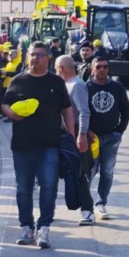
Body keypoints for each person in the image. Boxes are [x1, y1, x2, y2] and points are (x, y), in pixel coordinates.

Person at [1, 42, 74, 249]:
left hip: (50, 145)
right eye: (32, 55)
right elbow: (4, 103)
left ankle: (44, 228)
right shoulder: (18, 81)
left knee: (49, 187)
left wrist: (72, 135)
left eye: (40, 55)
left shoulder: (56, 82)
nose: (35, 58)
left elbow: (67, 109)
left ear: (48, 58)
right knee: (23, 189)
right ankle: (26, 227)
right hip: (22, 146)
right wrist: (11, 113)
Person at [85, 57, 129, 221]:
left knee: (107, 172)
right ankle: (86, 205)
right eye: (99, 67)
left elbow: (125, 110)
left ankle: (100, 203)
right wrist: (86, 131)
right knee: (90, 171)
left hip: (112, 137)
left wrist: (120, 130)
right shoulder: (86, 88)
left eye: (105, 67)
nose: (102, 69)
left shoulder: (117, 87)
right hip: (92, 138)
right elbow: (80, 112)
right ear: (93, 69)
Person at [55, 55, 94, 225]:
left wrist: (82, 135)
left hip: (76, 132)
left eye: (57, 68)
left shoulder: (77, 85)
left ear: (62, 68)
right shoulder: (65, 85)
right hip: (64, 134)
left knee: (79, 173)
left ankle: (87, 210)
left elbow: (84, 112)